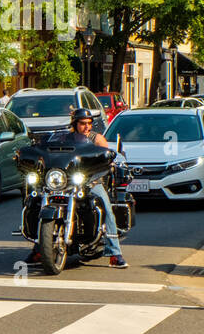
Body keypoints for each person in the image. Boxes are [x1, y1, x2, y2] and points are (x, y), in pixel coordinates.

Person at [25, 107, 127, 269]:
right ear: (75, 124)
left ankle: (115, 253)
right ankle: (39, 249)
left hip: (91, 182)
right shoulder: (65, 138)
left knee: (106, 209)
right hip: (66, 181)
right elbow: (53, 153)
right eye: (82, 123)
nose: (87, 127)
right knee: (37, 201)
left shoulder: (97, 139)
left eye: (89, 123)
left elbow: (106, 159)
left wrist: (109, 159)